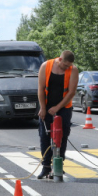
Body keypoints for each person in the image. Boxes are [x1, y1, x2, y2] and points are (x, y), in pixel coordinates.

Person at [37, 51, 79, 179]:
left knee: (63, 134)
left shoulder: (73, 70)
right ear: (60, 59)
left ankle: (59, 165)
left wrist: (57, 108)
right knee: (45, 135)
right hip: (47, 105)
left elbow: (71, 93)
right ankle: (46, 167)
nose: (67, 68)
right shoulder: (46, 66)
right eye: (65, 65)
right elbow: (40, 88)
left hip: (64, 107)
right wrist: (43, 108)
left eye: (69, 66)